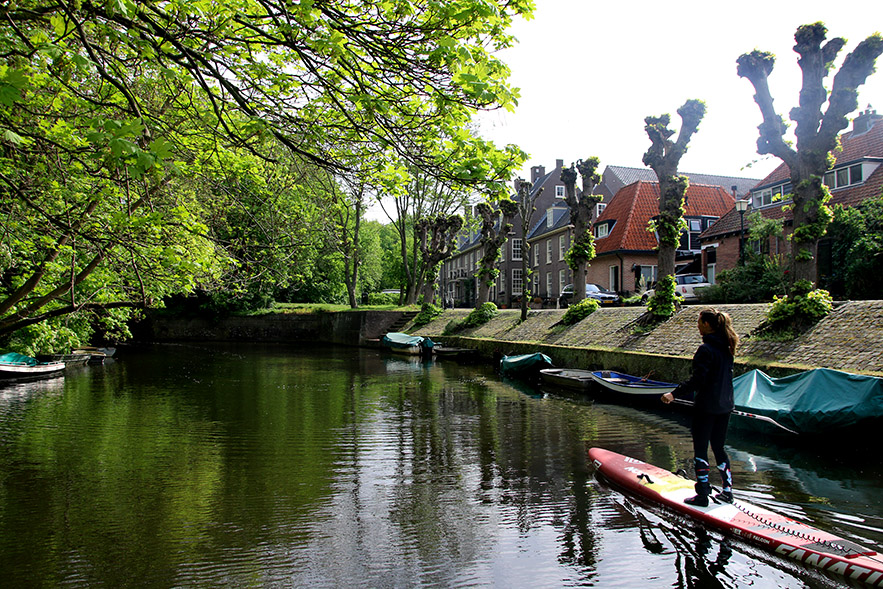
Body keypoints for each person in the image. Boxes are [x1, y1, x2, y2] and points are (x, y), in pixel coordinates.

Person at [661, 308, 739, 507]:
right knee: (720, 448)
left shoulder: (705, 350)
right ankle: (727, 492)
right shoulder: (728, 348)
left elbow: (698, 380)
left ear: (706, 325)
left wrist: (673, 394)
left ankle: (703, 495)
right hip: (725, 406)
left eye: (699, 322)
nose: (697, 325)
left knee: (701, 450)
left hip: (706, 407)